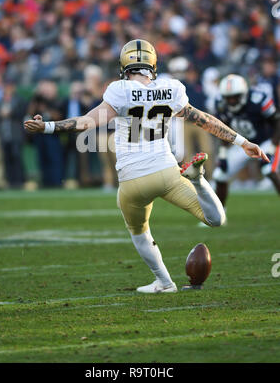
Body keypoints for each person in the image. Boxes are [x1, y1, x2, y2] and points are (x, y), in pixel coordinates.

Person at [24, 40, 269, 293]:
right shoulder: (170, 88)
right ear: (153, 65)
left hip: (133, 179)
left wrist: (48, 126)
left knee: (139, 232)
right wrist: (242, 141)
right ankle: (197, 179)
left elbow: (86, 122)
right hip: (167, 171)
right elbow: (204, 120)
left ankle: (164, 282)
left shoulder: (119, 90)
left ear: (124, 66)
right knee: (215, 219)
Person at [212, 74, 280, 206]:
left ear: (244, 93)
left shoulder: (258, 99)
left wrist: (271, 148)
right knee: (220, 175)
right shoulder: (220, 103)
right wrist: (223, 155)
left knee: (268, 170)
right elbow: (223, 131)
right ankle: (219, 215)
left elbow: (277, 122)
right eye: (228, 97)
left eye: (235, 96)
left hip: (265, 142)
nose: (231, 100)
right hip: (243, 145)